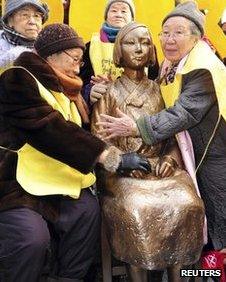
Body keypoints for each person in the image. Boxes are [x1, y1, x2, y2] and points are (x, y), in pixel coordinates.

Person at [0, 23, 151, 282]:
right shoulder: (17, 78)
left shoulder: (67, 89)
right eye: (75, 59)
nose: (77, 67)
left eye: (81, 61)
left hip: (59, 180)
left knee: (88, 212)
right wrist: (108, 156)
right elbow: (51, 129)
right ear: (51, 55)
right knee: (31, 239)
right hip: (18, 184)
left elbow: (80, 130)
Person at [97, 1, 226, 261]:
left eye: (178, 33)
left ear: (196, 36)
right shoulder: (171, 67)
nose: (169, 39)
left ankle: (210, 269)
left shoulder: (202, 67)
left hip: (212, 154)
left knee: (213, 213)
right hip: (146, 165)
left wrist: (139, 129)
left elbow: (183, 113)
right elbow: (100, 135)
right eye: (165, 32)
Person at [92, 22, 204, 282]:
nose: (139, 49)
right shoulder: (107, 91)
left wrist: (169, 158)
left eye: (144, 42)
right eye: (131, 43)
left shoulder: (160, 89)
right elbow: (98, 138)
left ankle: (179, 275)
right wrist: (120, 161)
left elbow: (174, 133)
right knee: (136, 207)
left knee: (188, 203)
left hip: (159, 168)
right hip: (122, 171)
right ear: (119, 49)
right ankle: (137, 276)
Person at [80, 0, 159, 108]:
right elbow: (81, 82)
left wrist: (116, 86)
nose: (118, 14)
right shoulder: (90, 46)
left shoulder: (146, 46)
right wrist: (89, 92)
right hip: (102, 108)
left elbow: (154, 81)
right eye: (114, 10)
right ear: (106, 16)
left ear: (132, 18)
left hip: (138, 108)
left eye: (124, 11)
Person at [0, 0, 49, 68]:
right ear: (10, 21)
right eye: (25, 15)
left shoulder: (49, 47)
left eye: (36, 16)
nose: (32, 22)